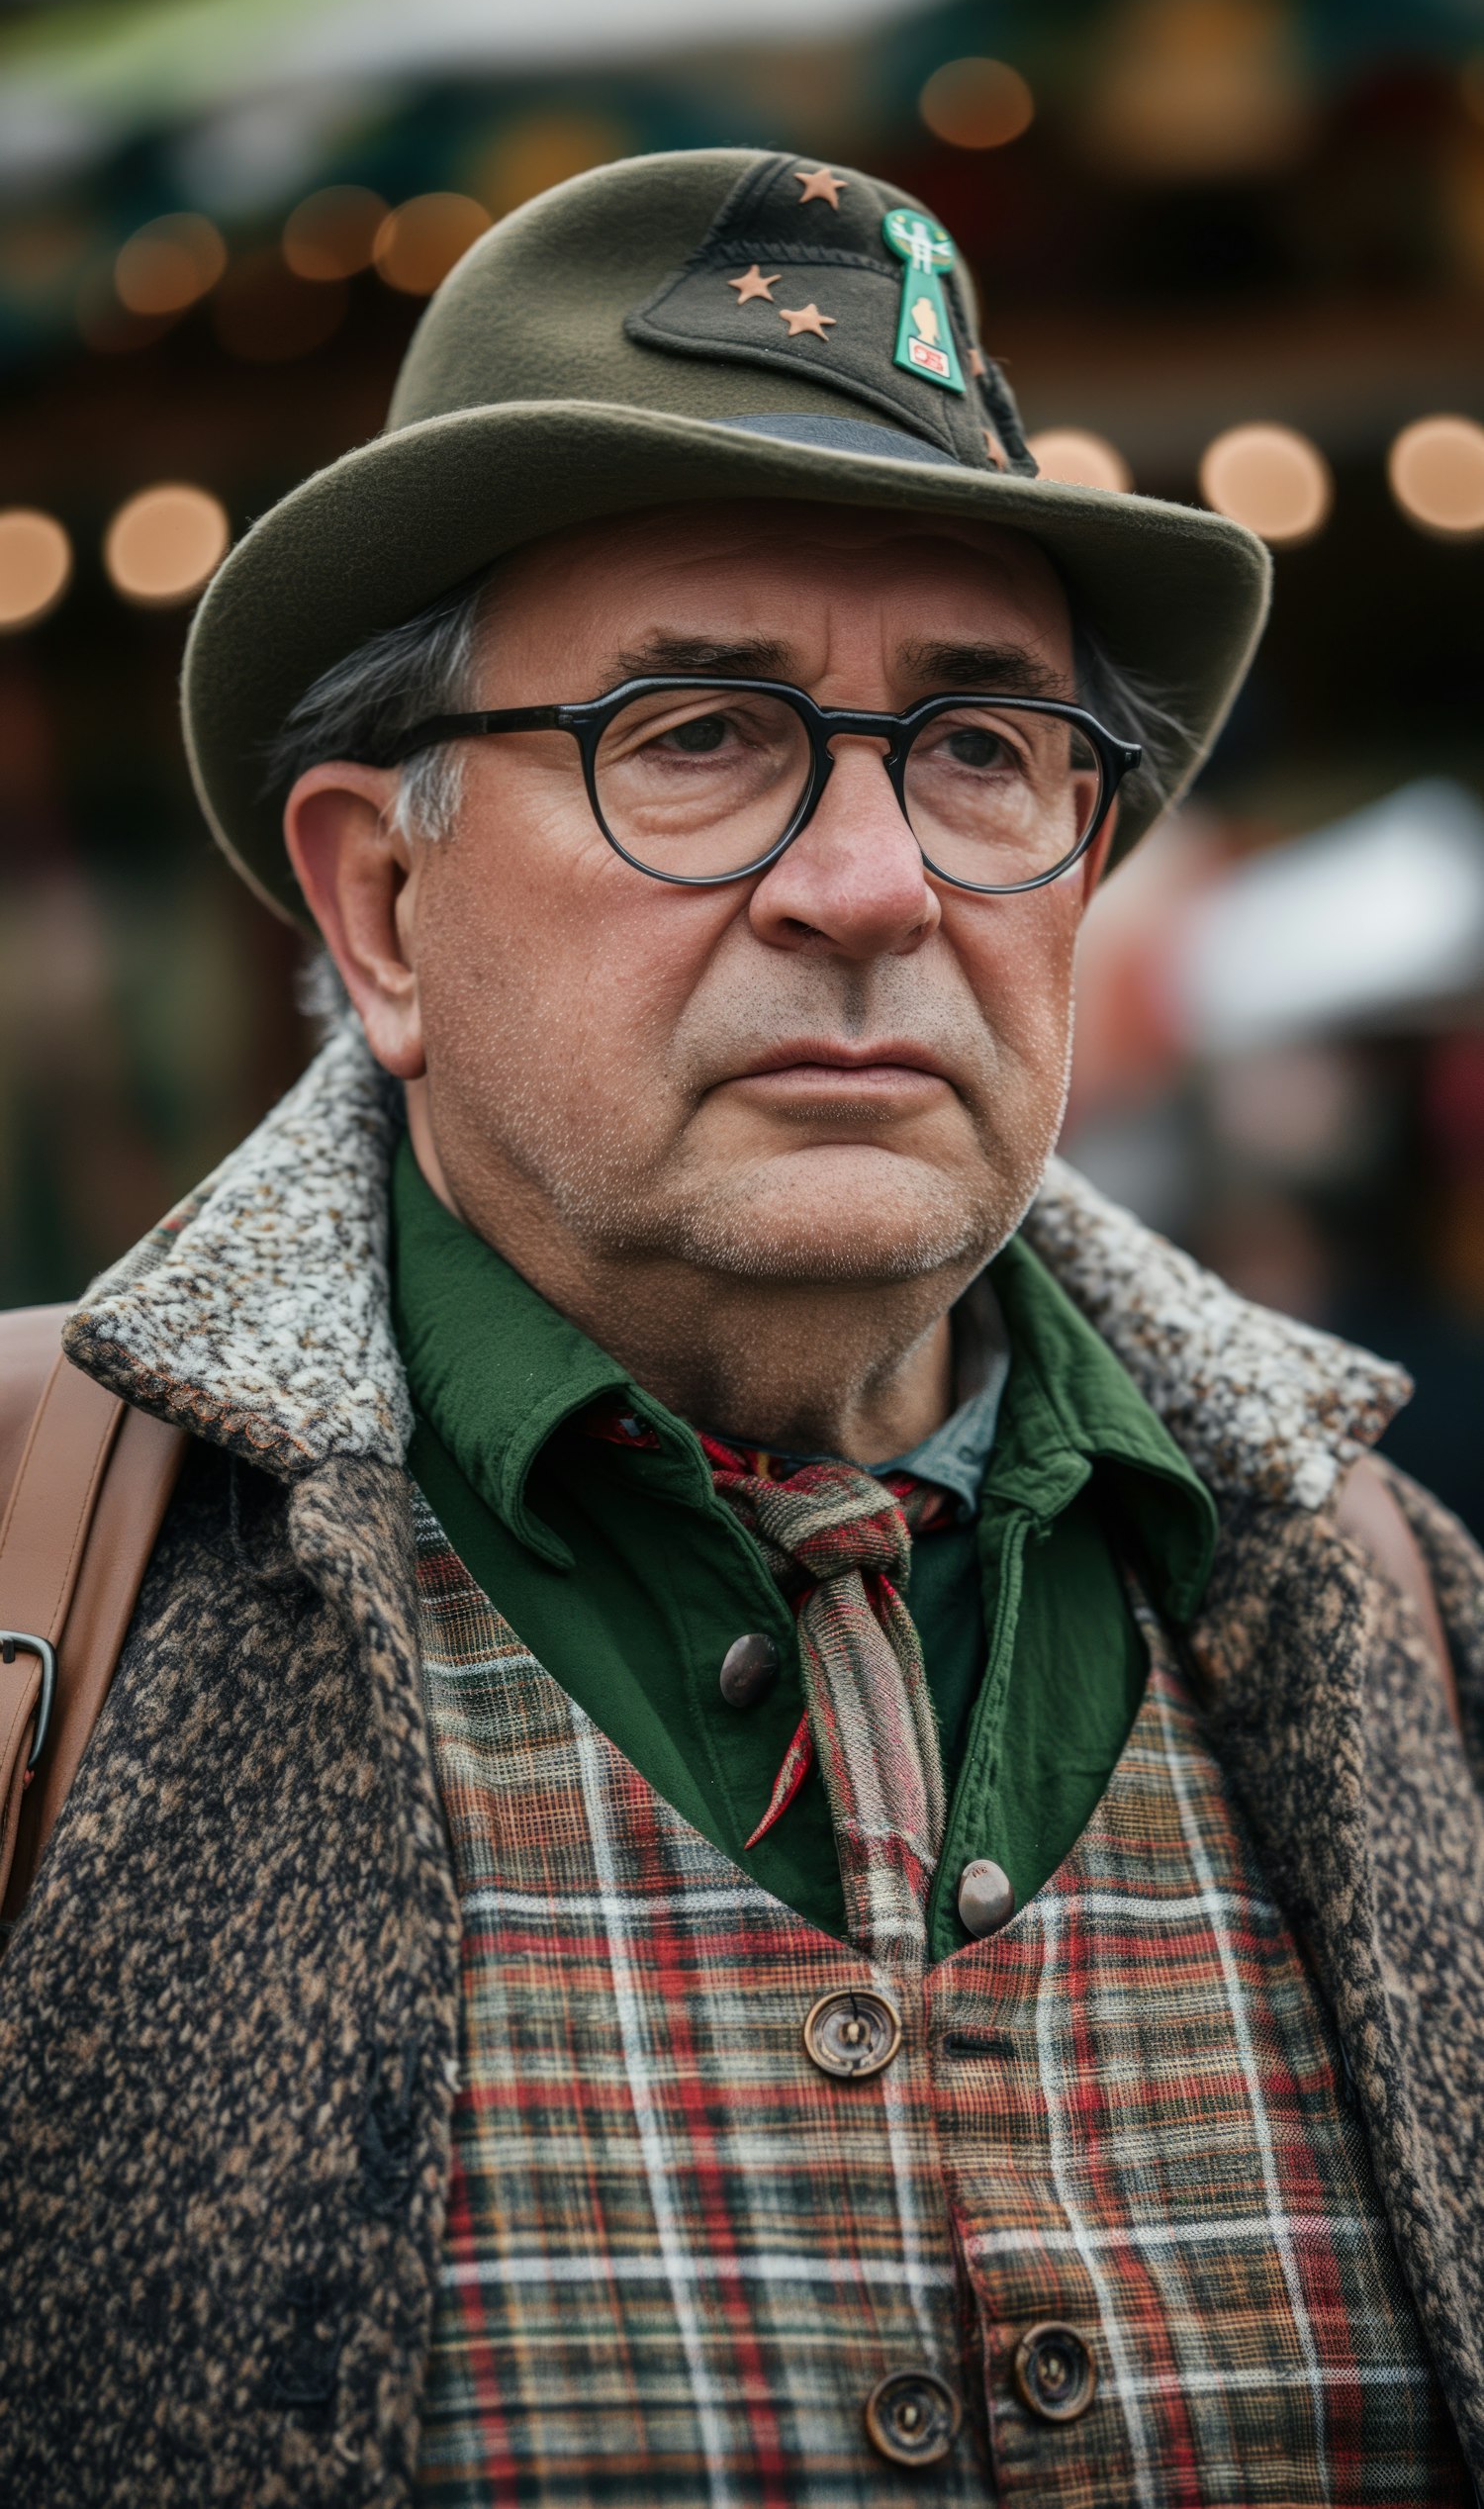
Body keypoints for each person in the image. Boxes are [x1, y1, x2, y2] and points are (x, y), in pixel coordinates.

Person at [1, 147, 1480, 2508]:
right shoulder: (31, 1578)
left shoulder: (1397, 1602)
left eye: (985, 747)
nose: (877, 884)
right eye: (695, 733)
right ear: (383, 904)